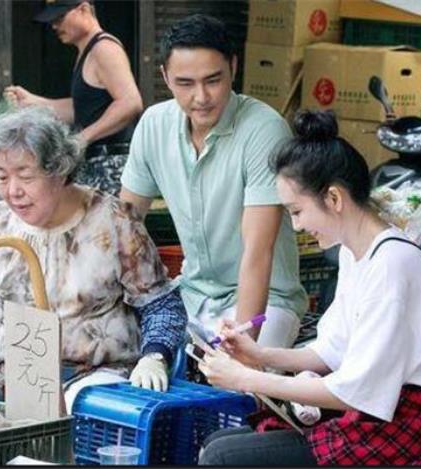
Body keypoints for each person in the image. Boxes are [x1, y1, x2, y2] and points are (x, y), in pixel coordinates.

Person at [196, 110, 421, 466]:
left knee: (223, 455)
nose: (296, 226)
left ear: (334, 198)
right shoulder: (356, 252)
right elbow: (332, 352)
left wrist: (247, 378)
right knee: (221, 444)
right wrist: (259, 355)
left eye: (297, 211)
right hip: (388, 409)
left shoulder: (392, 265)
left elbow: (353, 391)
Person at [0, 106, 186, 414]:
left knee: (77, 416)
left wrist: (155, 356)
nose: (13, 191)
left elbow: (160, 304)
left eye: (26, 177)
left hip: (94, 378)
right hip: (7, 373)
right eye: (2, 177)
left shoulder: (114, 221)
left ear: (59, 171)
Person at [120, 14, 307, 350]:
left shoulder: (264, 129)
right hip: (190, 294)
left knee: (236, 379)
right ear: (165, 76)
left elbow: (258, 251)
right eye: (185, 83)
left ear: (233, 67)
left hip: (266, 302)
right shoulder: (153, 124)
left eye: (213, 80)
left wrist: (243, 348)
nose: (201, 97)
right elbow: (125, 227)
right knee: (123, 355)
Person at [4, 0, 142, 196]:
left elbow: (130, 102)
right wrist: (33, 102)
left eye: (60, 18)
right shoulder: (86, 51)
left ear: (83, 9)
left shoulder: (104, 49)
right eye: (52, 21)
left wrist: (82, 138)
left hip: (111, 164)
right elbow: (83, 109)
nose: (54, 26)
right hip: (92, 164)